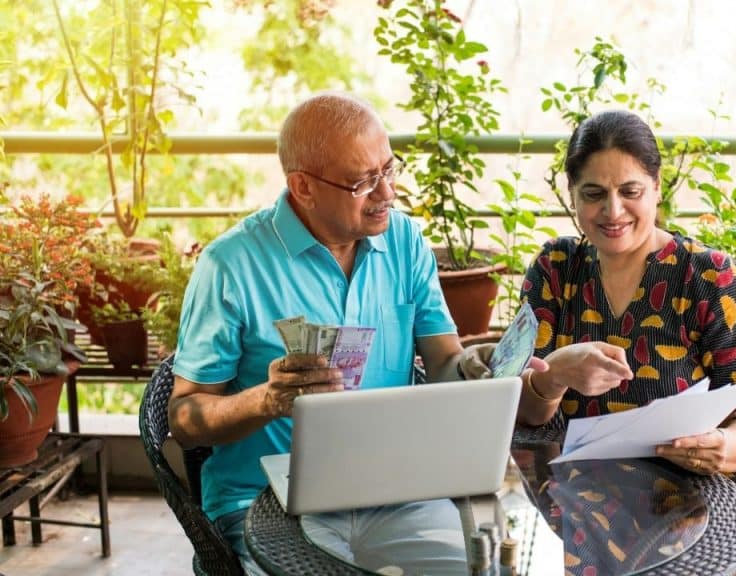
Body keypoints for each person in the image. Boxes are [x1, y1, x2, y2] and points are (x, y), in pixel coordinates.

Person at [168, 92, 506, 575]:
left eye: (389, 170)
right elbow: (184, 417)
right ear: (302, 187)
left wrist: (481, 365)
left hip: (395, 488)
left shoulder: (405, 242)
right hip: (264, 502)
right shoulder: (230, 265)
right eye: (364, 182)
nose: (387, 193)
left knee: (479, 569)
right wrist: (267, 400)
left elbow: (446, 364)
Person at [515, 110, 736, 572]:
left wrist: (723, 447)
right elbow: (528, 417)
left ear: (657, 187)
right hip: (585, 486)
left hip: (704, 486)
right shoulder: (556, 270)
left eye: (630, 192)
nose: (612, 212)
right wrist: (554, 377)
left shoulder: (710, 277)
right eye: (593, 194)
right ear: (571, 194)